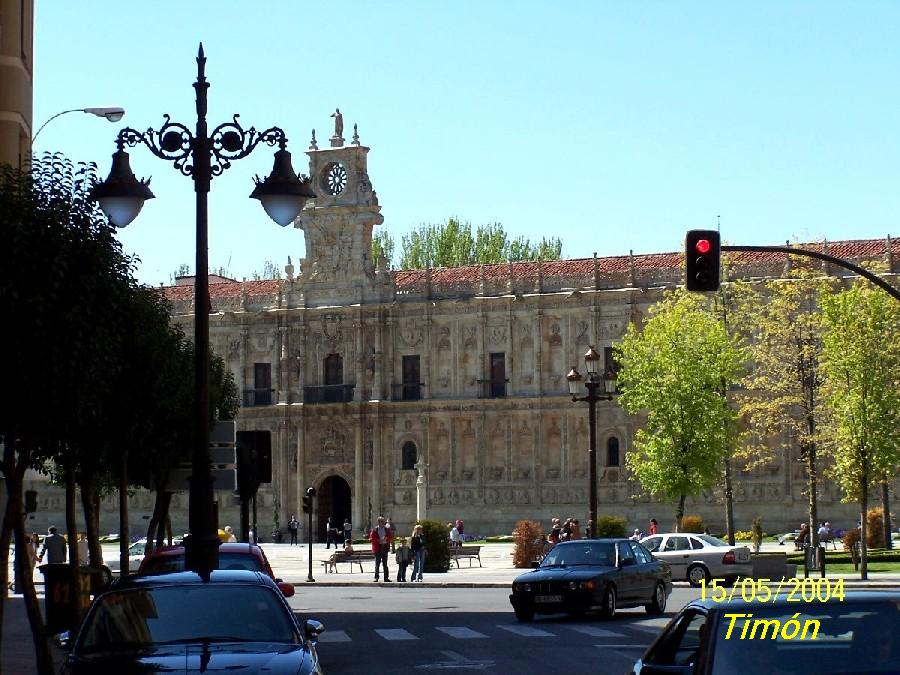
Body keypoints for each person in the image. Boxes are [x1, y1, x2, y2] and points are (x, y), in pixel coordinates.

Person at [369, 516, 393, 582]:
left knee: (385, 564)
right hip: (378, 548)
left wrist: (386, 539)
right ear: (378, 522)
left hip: (384, 547)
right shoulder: (375, 529)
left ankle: (386, 578)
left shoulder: (386, 529)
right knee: (377, 564)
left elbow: (390, 537)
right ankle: (376, 577)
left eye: (383, 521)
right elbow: (371, 539)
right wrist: (378, 540)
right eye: (381, 521)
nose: (383, 522)